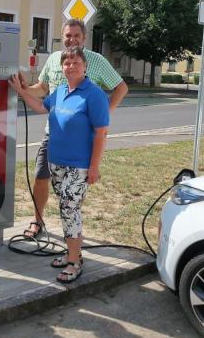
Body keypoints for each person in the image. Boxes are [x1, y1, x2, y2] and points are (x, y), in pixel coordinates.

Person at [17, 19, 127, 239]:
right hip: (53, 135)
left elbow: (121, 88)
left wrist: (103, 114)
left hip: (81, 141)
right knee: (40, 177)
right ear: (62, 36)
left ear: (84, 38)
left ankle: (72, 232)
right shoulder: (55, 59)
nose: (72, 39)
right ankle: (38, 221)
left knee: (73, 191)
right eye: (68, 35)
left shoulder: (96, 60)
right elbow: (43, 88)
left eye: (77, 35)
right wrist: (24, 88)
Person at [9, 46, 109, 283]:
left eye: (76, 62)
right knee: (66, 209)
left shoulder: (94, 95)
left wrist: (94, 167)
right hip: (57, 163)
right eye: (67, 63)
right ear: (62, 67)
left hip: (79, 166)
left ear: (85, 66)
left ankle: (74, 262)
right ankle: (73, 253)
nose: (71, 66)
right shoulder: (61, 90)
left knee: (69, 209)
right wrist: (21, 91)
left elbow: (101, 133)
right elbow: (40, 107)